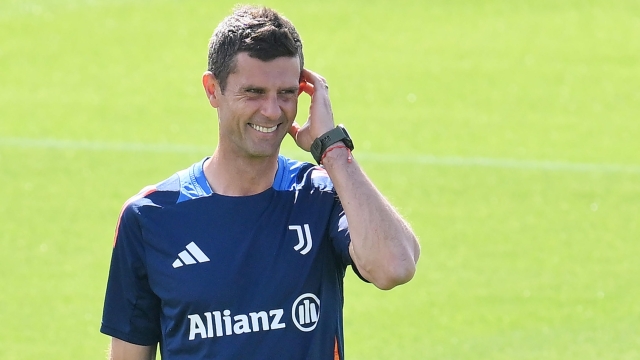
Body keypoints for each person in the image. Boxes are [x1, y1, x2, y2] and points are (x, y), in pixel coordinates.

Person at [100, 5, 420, 359]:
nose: (272, 111)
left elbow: (395, 266)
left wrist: (332, 149)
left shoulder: (321, 194)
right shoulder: (150, 218)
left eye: (286, 93)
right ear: (212, 90)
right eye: (253, 92)